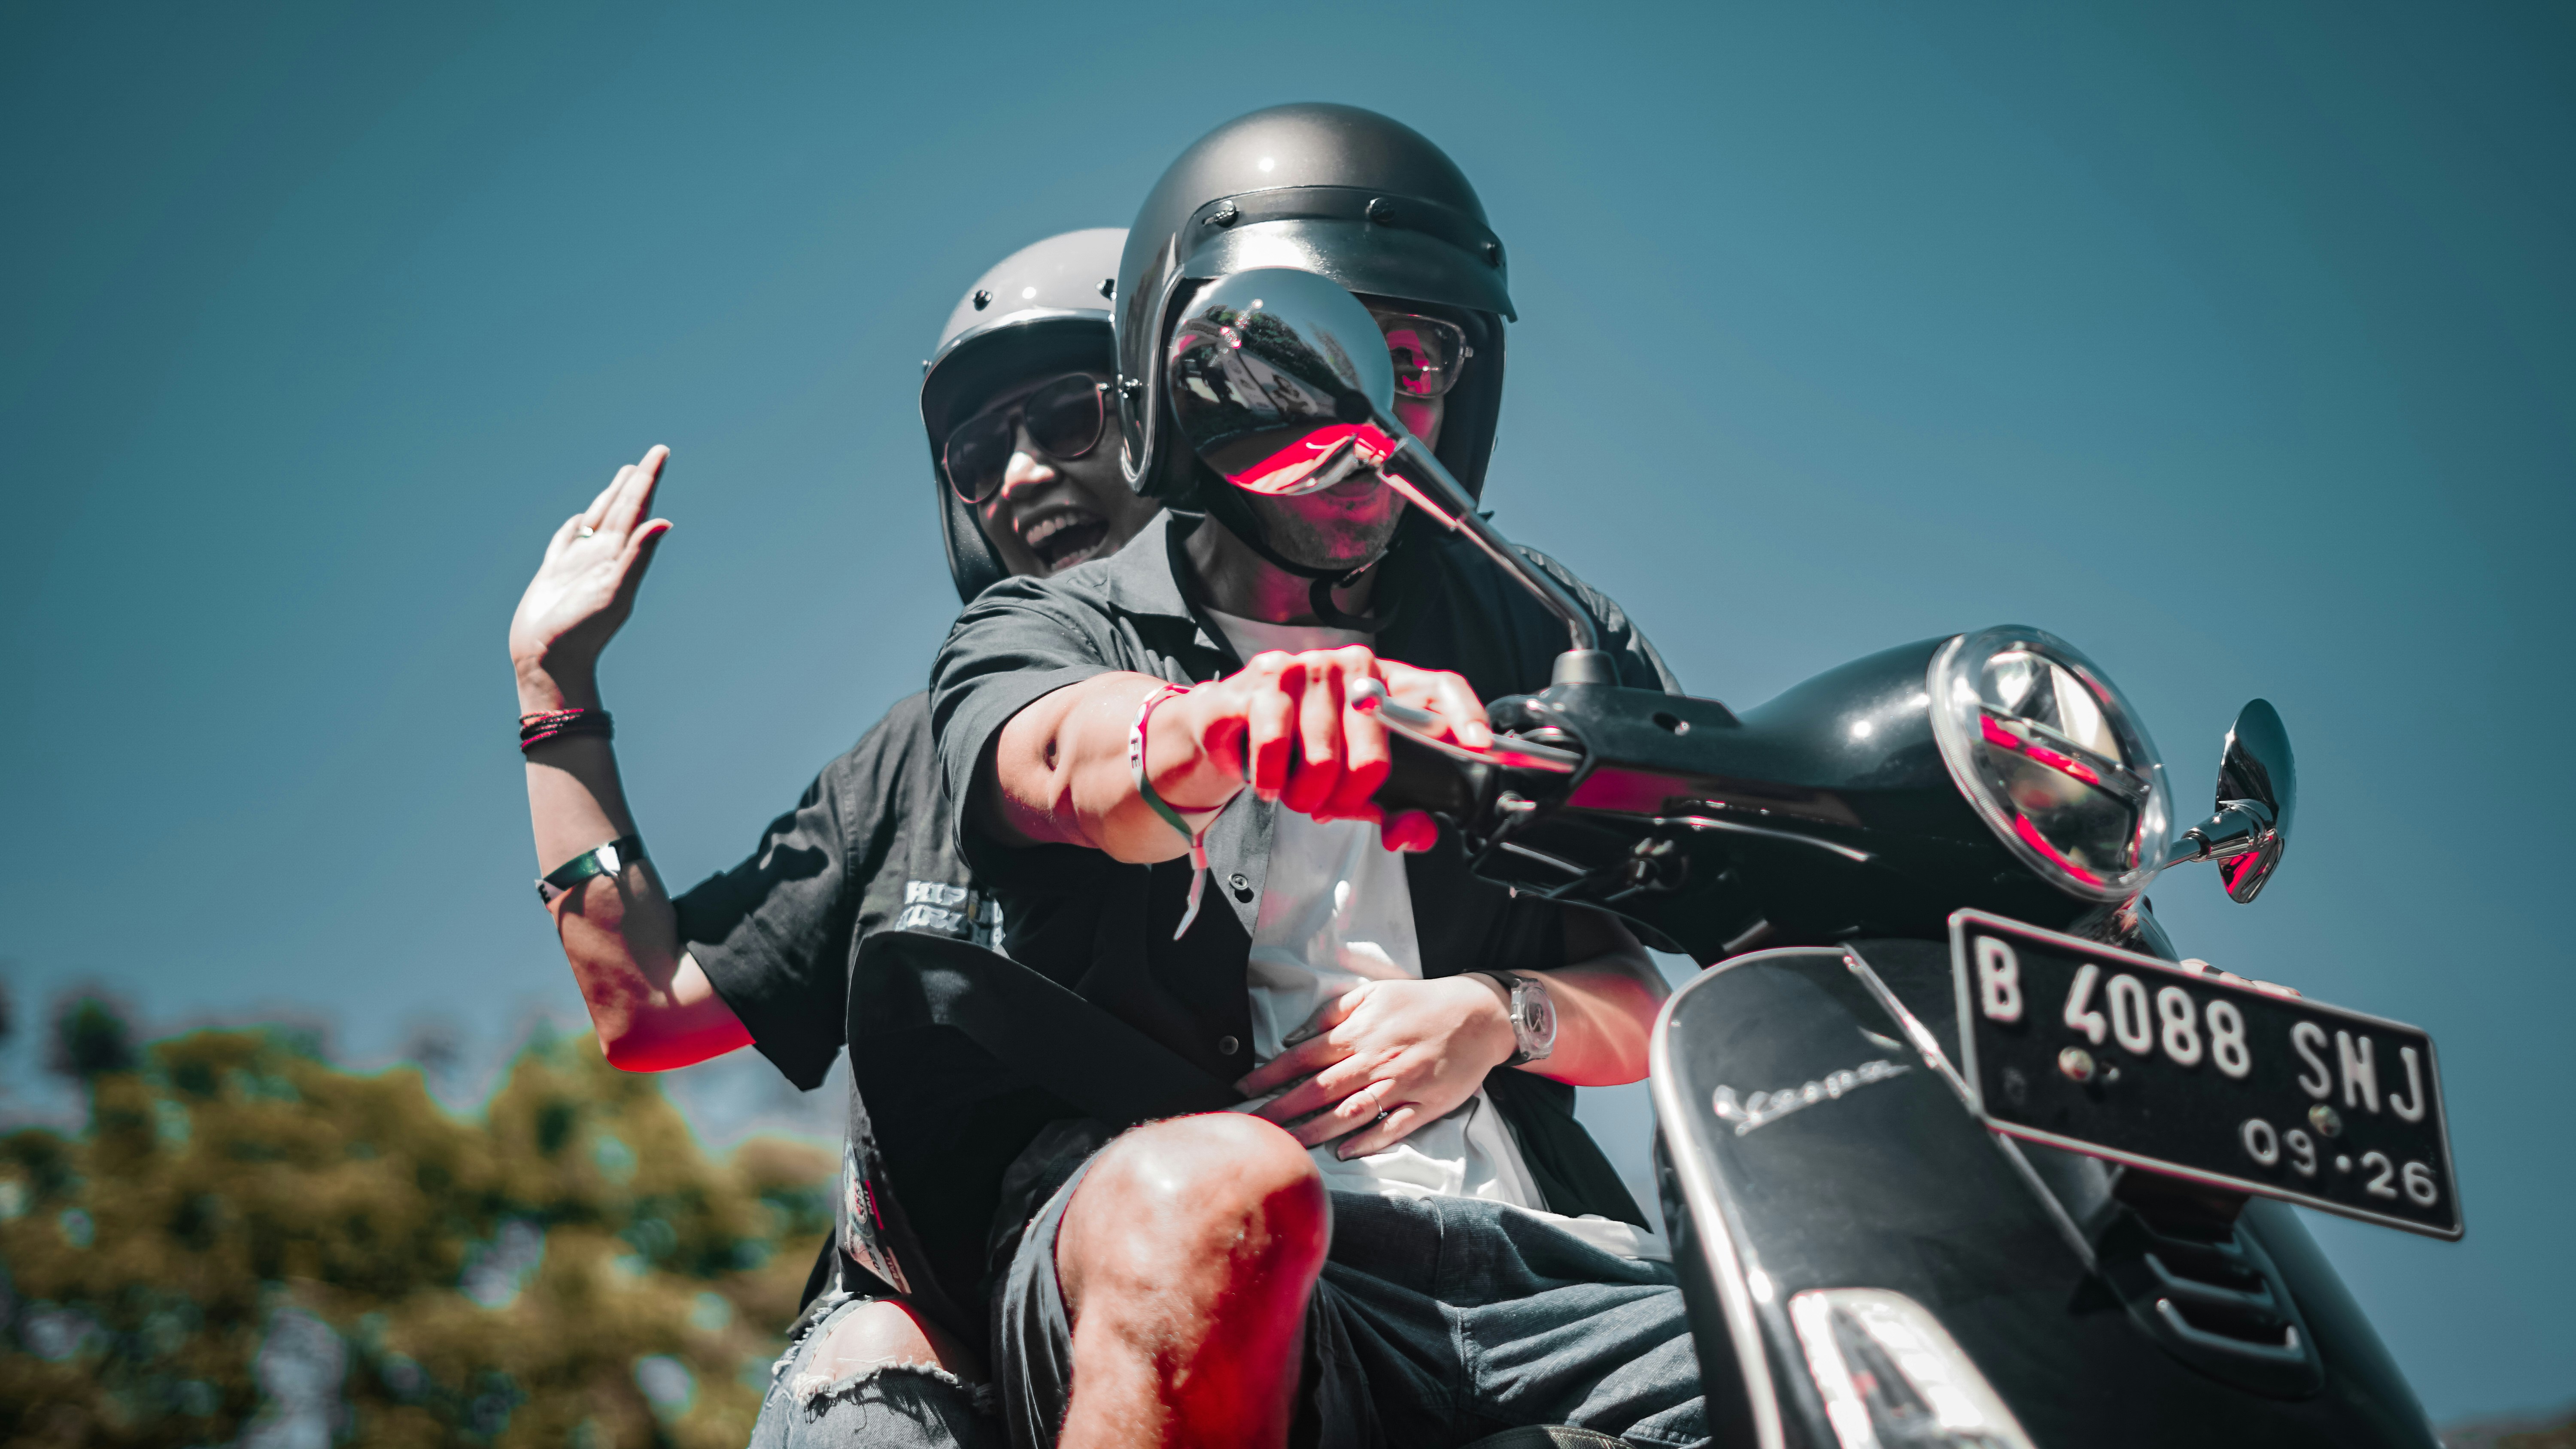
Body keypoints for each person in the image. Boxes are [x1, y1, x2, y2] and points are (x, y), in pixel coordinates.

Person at [929, 106, 1707, 1449]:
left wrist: (1500, 1011)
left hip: (1548, 1266)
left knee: (1868, 1332)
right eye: (1299, 359)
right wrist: (1232, 724)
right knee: (1211, 1195)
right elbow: (1060, 760)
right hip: (1192, 1228)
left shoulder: (1545, 632)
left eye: (1416, 363)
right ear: (1171, 385)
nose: (1370, 414)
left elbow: (1661, 978)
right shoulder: (1050, 623)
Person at [504, 228, 1156, 1448]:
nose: (1016, 475)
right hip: (933, 1353)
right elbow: (651, 1008)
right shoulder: (907, 760)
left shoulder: (1316, 693)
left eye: (1068, 418)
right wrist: (555, 695)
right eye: (973, 456)